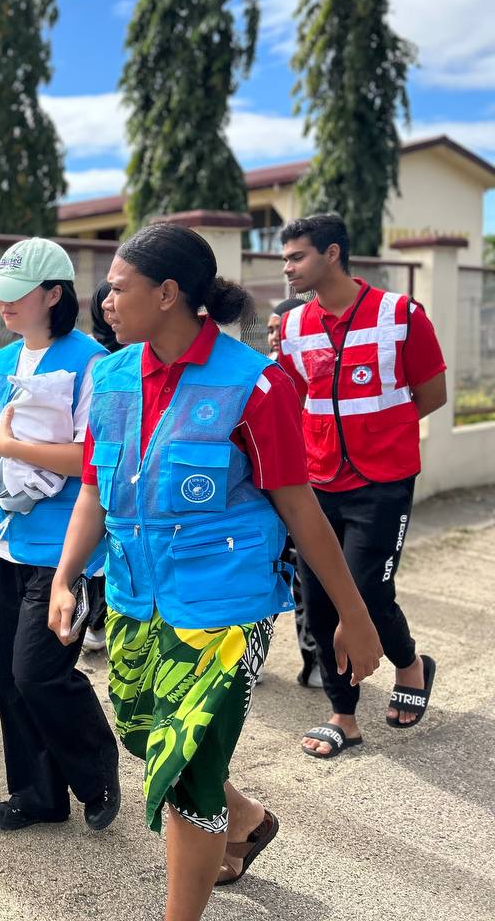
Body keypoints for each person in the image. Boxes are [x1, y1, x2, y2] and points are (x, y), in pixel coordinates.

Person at [48, 223, 384, 919]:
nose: (105, 301)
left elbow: (300, 507)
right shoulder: (109, 378)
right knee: (147, 737)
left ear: (167, 294)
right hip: (136, 599)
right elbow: (94, 489)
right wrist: (65, 575)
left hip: (225, 609)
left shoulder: (254, 386)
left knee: (187, 773)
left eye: (119, 288)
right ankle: (248, 820)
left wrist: (354, 615)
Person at [0, 238, 121, 833]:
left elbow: (90, 459)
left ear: (54, 295)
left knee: (39, 672)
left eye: (17, 293)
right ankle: (38, 796)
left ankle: (97, 773)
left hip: (63, 552)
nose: (3, 304)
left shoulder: (92, 363)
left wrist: (14, 446)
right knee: (7, 678)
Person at [275, 214, 447, 758]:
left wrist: (380, 434)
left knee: (368, 591)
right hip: (316, 480)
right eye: (284, 259)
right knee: (320, 597)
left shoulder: (400, 314)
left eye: (297, 256)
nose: (288, 268)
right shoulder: (293, 325)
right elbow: (292, 397)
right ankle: (343, 715)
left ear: (332, 253)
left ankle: (410, 664)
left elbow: (432, 393)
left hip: (383, 480)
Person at [268, 296, 321, 687]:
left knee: (307, 582)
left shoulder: (315, 376)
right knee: (265, 579)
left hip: (308, 493)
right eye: (271, 329)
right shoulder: (261, 374)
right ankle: (249, 661)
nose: (274, 336)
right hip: (266, 499)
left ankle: (315, 661)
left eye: (280, 328)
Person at [81, 280, 124, 652]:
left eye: (118, 295)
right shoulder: (93, 360)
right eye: (103, 301)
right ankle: (96, 620)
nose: (110, 306)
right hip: (99, 475)